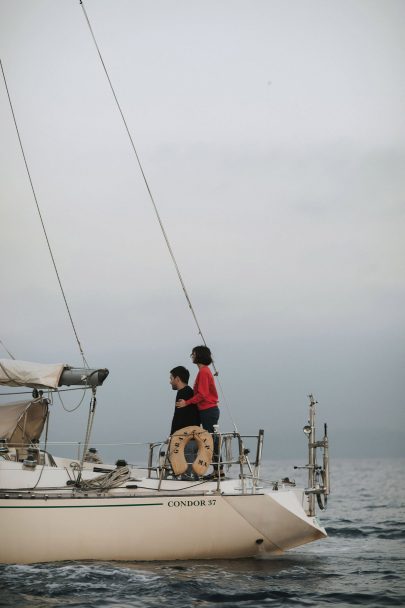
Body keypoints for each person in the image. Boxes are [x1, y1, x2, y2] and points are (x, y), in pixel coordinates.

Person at [176, 345, 223, 479]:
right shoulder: (205, 371)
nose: (192, 356)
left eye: (193, 354)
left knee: (211, 440)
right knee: (211, 439)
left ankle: (218, 470)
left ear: (199, 356)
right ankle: (218, 469)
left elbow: (202, 394)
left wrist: (187, 402)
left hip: (208, 410)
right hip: (208, 410)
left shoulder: (203, 372)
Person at [169, 366, 199, 434]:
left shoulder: (183, 393)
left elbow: (178, 417)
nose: (170, 382)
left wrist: (172, 436)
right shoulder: (189, 391)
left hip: (185, 438)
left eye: (171, 379)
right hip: (191, 435)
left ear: (177, 379)